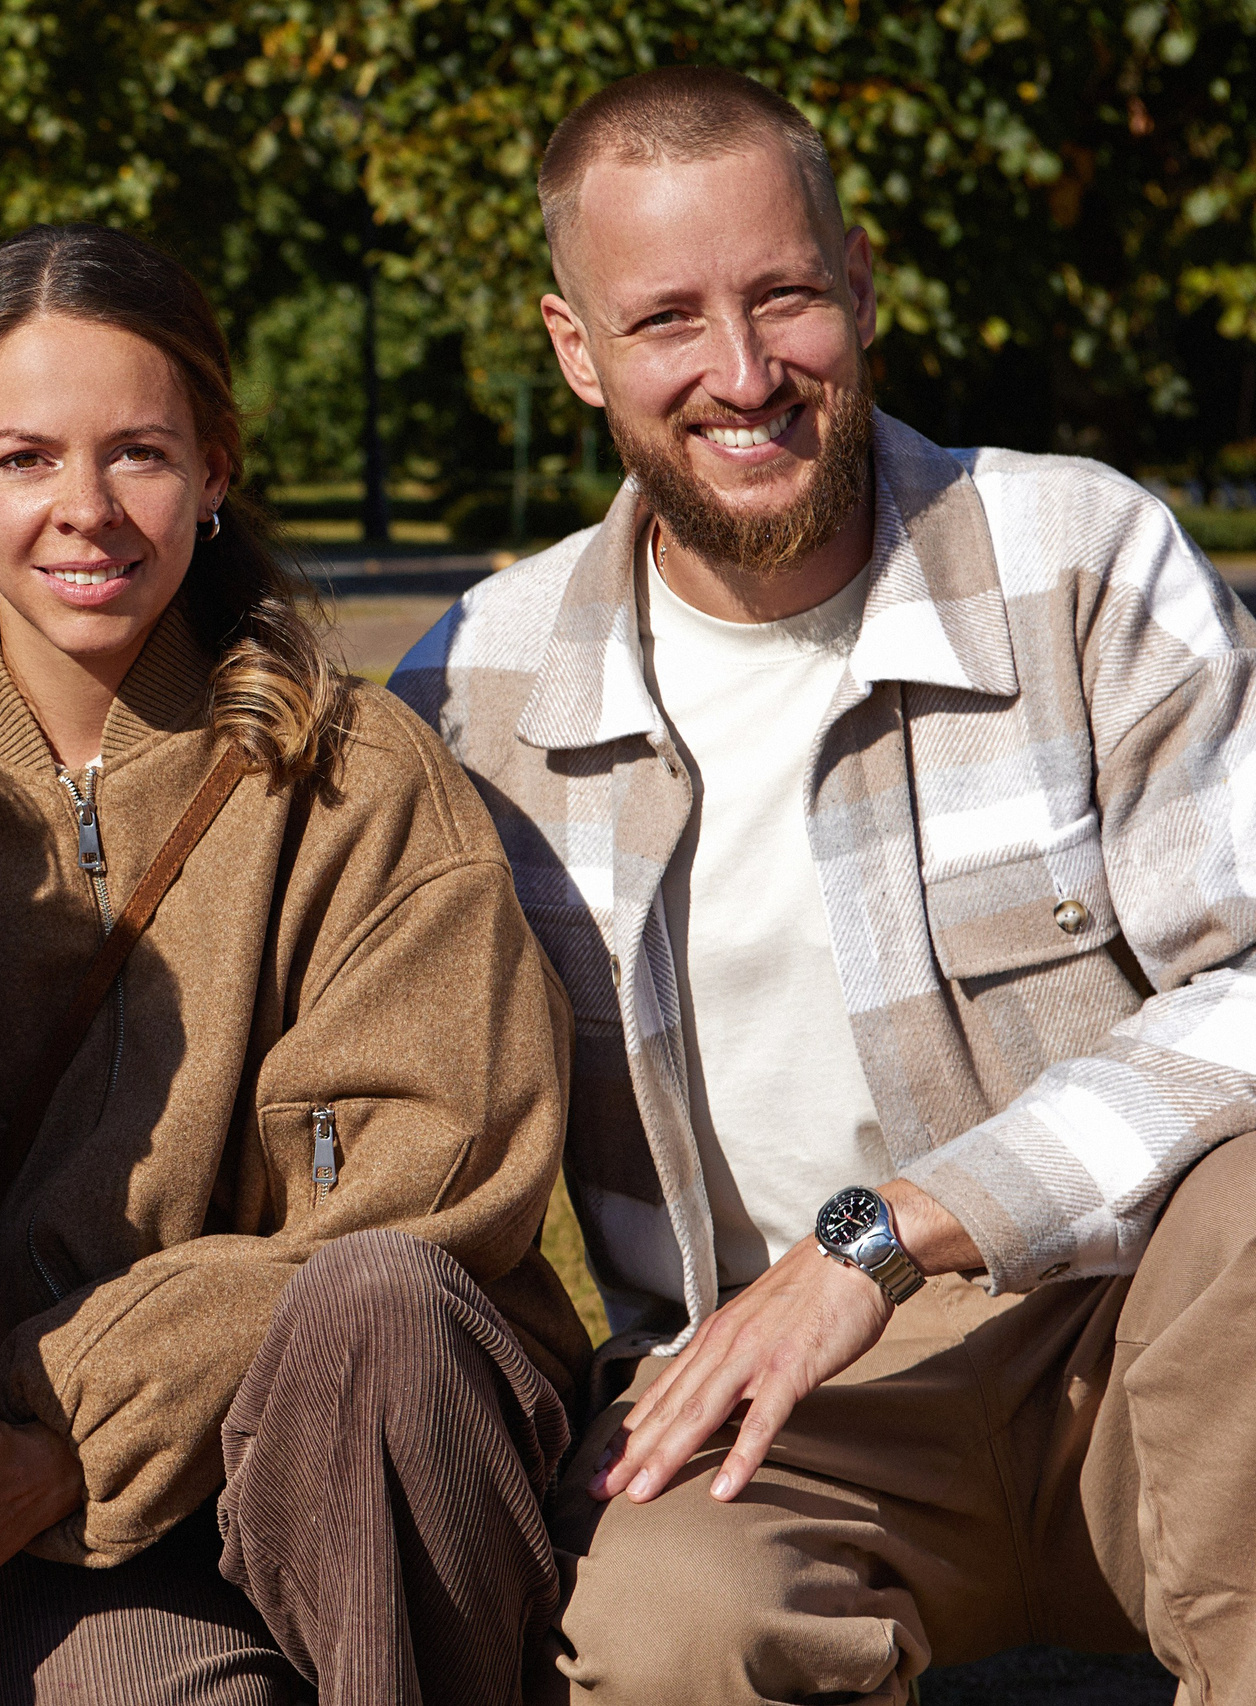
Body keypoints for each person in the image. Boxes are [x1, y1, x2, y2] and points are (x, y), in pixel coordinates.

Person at [392, 65, 1256, 1705]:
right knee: (662, 1634)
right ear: (575, 351)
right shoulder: (472, 694)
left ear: (859, 285)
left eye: (784, 295)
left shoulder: (1083, 560)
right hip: (773, 1414)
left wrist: (888, 1234)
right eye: (665, 322)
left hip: (1137, 1343)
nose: (742, 374)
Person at [0, 222, 594, 1706]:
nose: (86, 510)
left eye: (139, 453)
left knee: (377, 1306)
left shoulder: (362, 777)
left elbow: (436, 1178)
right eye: (25, 458)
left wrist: (68, 1421)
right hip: (55, 1533)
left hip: (385, 1465)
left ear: (215, 471)